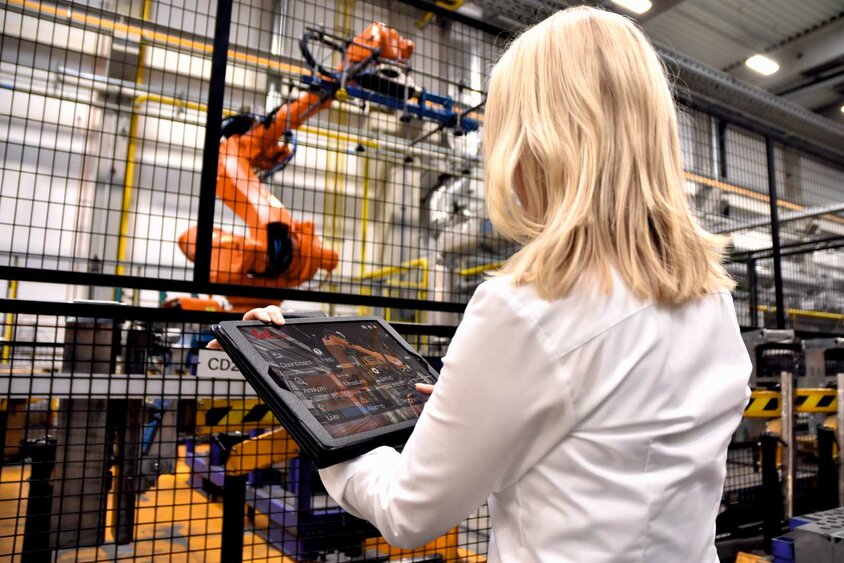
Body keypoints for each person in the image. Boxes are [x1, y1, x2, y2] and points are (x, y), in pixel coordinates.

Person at [231, 6, 751, 562]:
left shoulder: (527, 307)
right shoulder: (710, 296)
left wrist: (321, 425)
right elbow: (609, 430)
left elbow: (409, 512)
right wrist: (474, 404)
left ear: (537, 140)